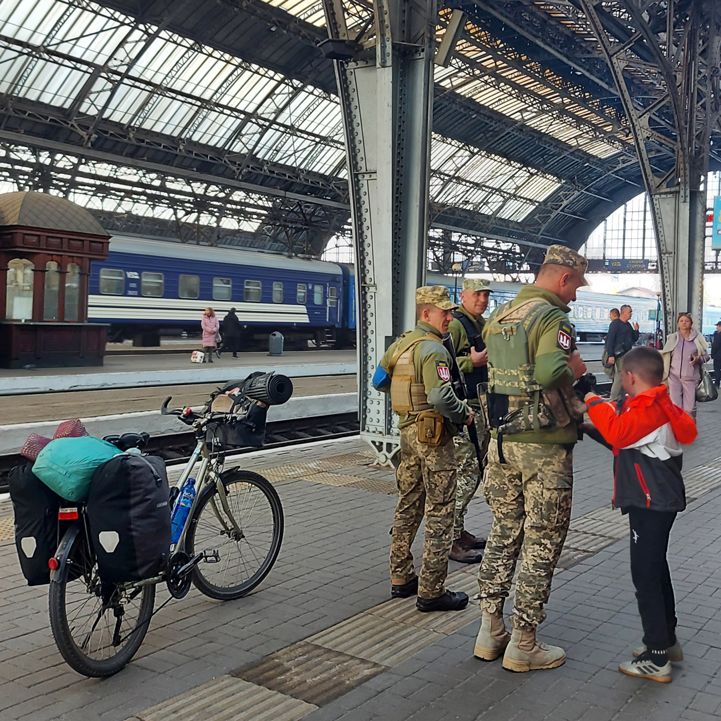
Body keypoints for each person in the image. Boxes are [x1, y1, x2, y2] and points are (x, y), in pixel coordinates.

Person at [473, 245, 588, 673]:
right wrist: (574, 372)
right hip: (543, 447)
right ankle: (524, 642)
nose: (575, 295)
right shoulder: (552, 318)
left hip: (501, 444)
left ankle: (490, 630)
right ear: (563, 278)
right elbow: (546, 373)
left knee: (504, 532)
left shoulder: (501, 316)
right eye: (575, 285)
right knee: (542, 540)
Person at [583, 346, 697, 683]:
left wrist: (590, 397)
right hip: (655, 502)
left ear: (630, 377)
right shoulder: (656, 406)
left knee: (645, 577)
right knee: (656, 569)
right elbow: (626, 444)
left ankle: (657, 656)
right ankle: (667, 641)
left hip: (652, 504)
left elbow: (620, 433)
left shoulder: (650, 410)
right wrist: (591, 429)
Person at [379, 286, 474, 612]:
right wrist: (465, 412)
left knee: (408, 505)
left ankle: (401, 576)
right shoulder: (433, 350)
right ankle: (432, 590)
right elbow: (440, 398)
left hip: (407, 434)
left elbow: (380, 379)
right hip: (434, 438)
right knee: (440, 511)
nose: (450, 317)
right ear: (425, 313)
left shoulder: (401, 344)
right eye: (444, 312)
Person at [447, 278, 493, 564]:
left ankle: (459, 530)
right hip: (466, 408)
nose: (482, 299)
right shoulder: (457, 325)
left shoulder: (480, 323)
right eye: (477, 294)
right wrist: (471, 363)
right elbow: (446, 362)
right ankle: (450, 538)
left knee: (474, 467)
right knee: (467, 472)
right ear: (463, 295)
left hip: (480, 406)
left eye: (486, 295)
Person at [660, 312, 710, 418]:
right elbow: (666, 354)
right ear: (678, 323)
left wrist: (698, 359)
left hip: (691, 378)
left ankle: (689, 429)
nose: (684, 323)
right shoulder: (672, 338)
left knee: (689, 409)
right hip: (674, 377)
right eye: (681, 321)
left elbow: (706, 356)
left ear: (691, 323)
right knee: (675, 406)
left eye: (686, 321)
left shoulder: (697, 339)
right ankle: (678, 431)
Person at [606, 304, 640, 400]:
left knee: (624, 376)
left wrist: (636, 330)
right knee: (620, 375)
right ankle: (614, 398)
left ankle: (620, 397)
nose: (631, 314)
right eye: (630, 312)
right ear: (623, 312)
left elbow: (633, 339)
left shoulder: (628, 325)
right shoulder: (615, 324)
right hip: (619, 355)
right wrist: (610, 355)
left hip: (627, 354)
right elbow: (610, 340)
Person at [711, 321, 721, 387]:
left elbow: (715, 345)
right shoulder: (716, 333)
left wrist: (713, 354)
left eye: (717, 326)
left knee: (717, 369)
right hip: (718, 354)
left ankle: (717, 383)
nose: (716, 327)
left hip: (718, 355)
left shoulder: (717, 334)